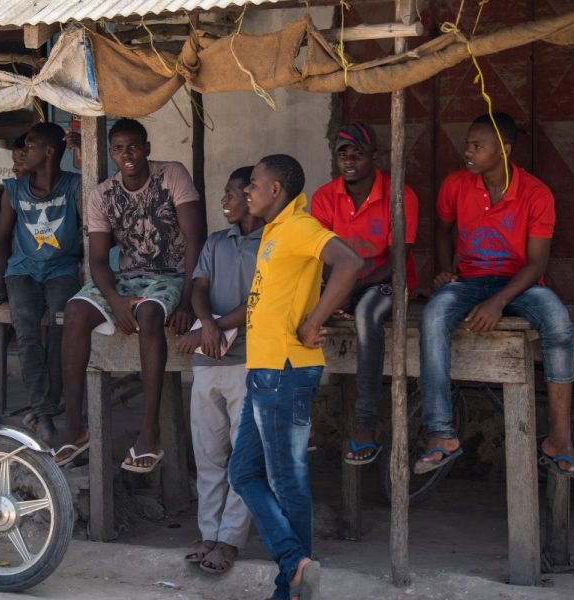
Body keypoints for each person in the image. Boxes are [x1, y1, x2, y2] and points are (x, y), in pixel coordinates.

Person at [417, 112, 574, 479]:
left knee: (558, 322)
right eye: (467, 144)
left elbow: (537, 263)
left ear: (504, 151)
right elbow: (443, 230)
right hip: (469, 281)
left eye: (477, 146)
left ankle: (559, 439)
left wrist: (498, 302)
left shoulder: (536, 194)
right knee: (434, 315)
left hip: (520, 284)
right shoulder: (456, 185)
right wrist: (445, 270)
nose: (467, 151)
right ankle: (441, 433)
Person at [228, 155, 363, 600]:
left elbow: (349, 262)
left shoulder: (300, 226)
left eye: (254, 183)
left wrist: (314, 321)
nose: (247, 190)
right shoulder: (274, 229)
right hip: (264, 371)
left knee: (287, 479)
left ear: (276, 189)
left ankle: (291, 584)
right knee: (243, 472)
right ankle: (294, 565)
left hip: (284, 371)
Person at [58, 118, 206, 473]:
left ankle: (149, 432)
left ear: (147, 148)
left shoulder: (172, 175)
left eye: (134, 147)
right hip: (128, 278)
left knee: (150, 314)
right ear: (111, 153)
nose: (128, 155)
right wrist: (115, 300)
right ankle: (75, 427)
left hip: (172, 276)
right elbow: (97, 260)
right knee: (75, 311)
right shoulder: (103, 195)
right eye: (119, 149)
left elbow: (196, 238)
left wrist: (188, 300)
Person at [310, 122, 419, 464]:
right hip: (340, 282)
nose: (349, 160)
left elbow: (398, 259)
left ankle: (365, 425)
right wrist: (335, 293)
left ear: (375, 156)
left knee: (367, 314)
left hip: (384, 281)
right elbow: (321, 255)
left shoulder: (399, 195)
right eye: (342, 154)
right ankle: (300, 418)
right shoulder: (325, 197)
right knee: (299, 316)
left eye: (357, 153)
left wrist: (347, 289)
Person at [176, 166, 261, 574]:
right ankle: (208, 532)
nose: (224, 200)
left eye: (231, 193)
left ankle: (229, 539)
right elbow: (199, 288)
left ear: (252, 197)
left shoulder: (271, 244)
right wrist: (206, 325)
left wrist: (213, 328)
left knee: (241, 458)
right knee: (208, 454)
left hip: (249, 360)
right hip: (208, 360)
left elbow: (259, 300)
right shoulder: (215, 242)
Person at [0, 122, 82, 447]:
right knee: (27, 333)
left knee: (61, 331)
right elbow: (1, 237)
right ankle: (44, 415)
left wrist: (83, 152)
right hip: (22, 272)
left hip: (62, 270)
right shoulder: (14, 190)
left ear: (49, 152)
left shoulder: (74, 186)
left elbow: (94, 223)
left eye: (30, 147)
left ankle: (47, 406)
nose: (22, 153)